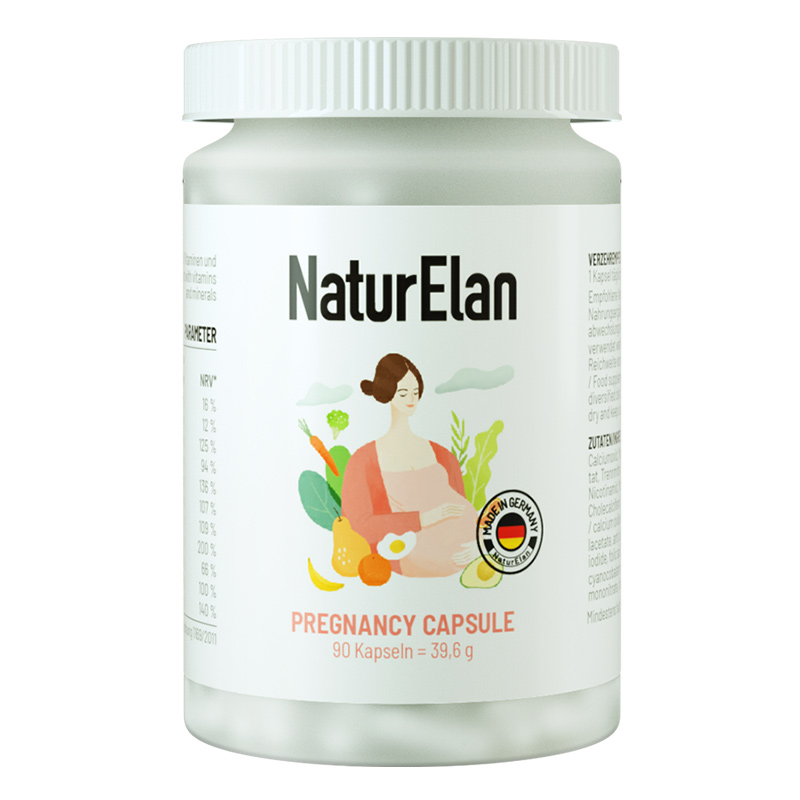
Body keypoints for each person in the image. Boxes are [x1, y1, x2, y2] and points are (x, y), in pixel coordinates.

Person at [341, 353, 477, 577]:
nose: (411, 398)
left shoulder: (442, 455)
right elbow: (359, 525)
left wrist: (480, 545)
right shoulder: (363, 460)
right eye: (403, 393)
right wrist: (423, 519)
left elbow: (463, 504)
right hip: (413, 558)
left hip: (472, 554)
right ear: (387, 393)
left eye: (415, 391)